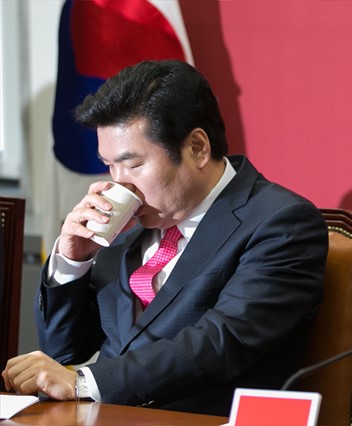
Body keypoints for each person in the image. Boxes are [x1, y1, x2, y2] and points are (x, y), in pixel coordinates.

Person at [2, 60, 328, 416]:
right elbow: (64, 351)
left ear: (197, 148)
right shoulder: (123, 230)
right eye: (109, 165)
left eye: (133, 165)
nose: (119, 184)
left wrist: (83, 383)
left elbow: (223, 341)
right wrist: (72, 262)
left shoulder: (280, 222)